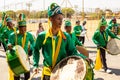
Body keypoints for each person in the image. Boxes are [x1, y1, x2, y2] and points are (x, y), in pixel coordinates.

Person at [33, 3, 91, 80]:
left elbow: (73, 52)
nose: (61, 22)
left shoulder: (66, 36)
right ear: (51, 19)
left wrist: (84, 57)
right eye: (58, 19)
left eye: (62, 19)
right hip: (47, 72)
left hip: (61, 72)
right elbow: (36, 49)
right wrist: (35, 65)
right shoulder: (42, 36)